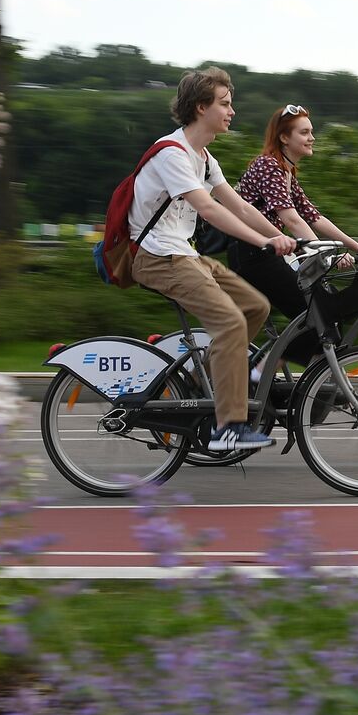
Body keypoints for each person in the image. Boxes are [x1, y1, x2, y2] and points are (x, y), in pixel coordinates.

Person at [128, 67, 296, 451]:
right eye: (224, 104)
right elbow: (209, 209)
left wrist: (279, 236)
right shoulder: (172, 153)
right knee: (230, 322)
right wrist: (264, 242)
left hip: (183, 253)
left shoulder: (203, 158)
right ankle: (228, 427)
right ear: (201, 107)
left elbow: (237, 206)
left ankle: (201, 382)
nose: (231, 111)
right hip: (157, 257)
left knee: (256, 307)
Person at [229, 104, 358, 363]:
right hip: (252, 255)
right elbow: (291, 218)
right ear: (284, 137)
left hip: (268, 253)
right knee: (312, 314)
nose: (312, 137)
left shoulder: (287, 170)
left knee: (324, 312)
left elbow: (314, 217)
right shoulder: (269, 165)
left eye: (311, 132)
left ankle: (312, 385)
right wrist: (328, 254)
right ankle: (260, 377)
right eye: (304, 132)